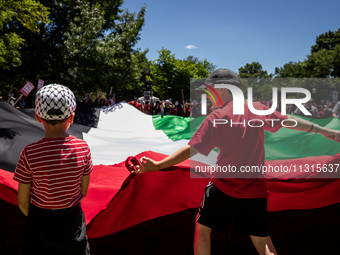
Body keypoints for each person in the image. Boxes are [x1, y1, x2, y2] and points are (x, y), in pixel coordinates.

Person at [131, 69, 340, 255]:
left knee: (203, 228)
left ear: (222, 89)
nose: (208, 95)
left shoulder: (217, 116)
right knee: (262, 239)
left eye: (210, 90)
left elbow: (192, 149)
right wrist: (327, 132)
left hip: (224, 187)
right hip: (256, 189)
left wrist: (158, 165)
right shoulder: (257, 108)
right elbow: (289, 121)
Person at [13, 84, 92, 255]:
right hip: (73, 226)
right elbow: (83, 191)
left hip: (39, 227)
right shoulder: (83, 148)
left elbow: (23, 203)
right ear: (71, 117)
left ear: (38, 117)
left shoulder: (29, 153)